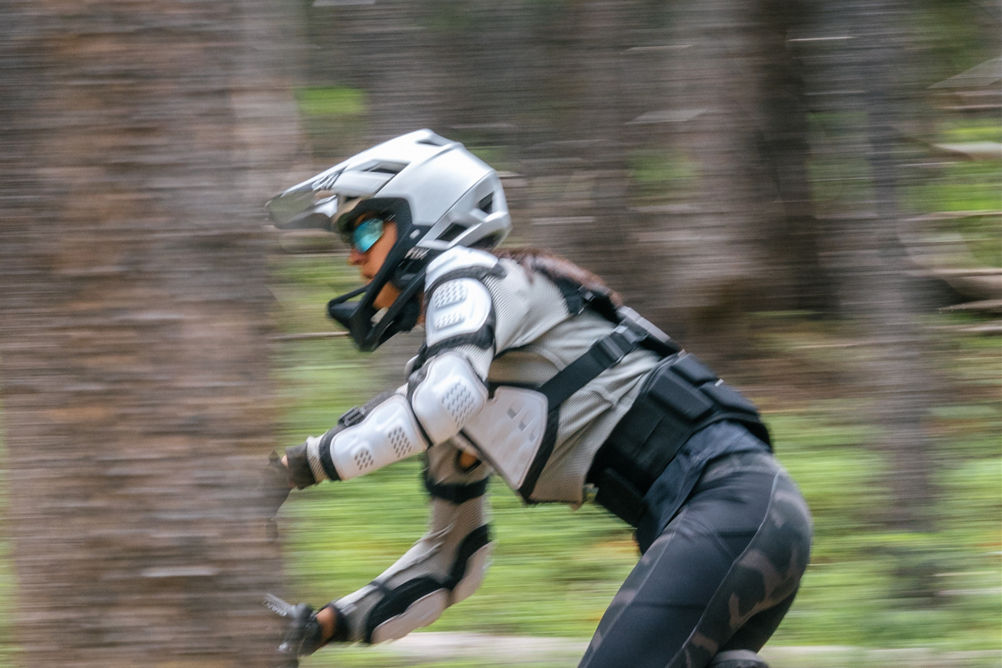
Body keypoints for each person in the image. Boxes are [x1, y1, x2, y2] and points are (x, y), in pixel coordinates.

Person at [262, 130, 812, 668]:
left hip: (730, 502)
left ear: (421, 216)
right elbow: (452, 561)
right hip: (748, 521)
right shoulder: (457, 373)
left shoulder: (471, 277)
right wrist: (321, 627)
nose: (354, 258)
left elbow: (438, 404)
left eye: (361, 232)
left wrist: (298, 466)